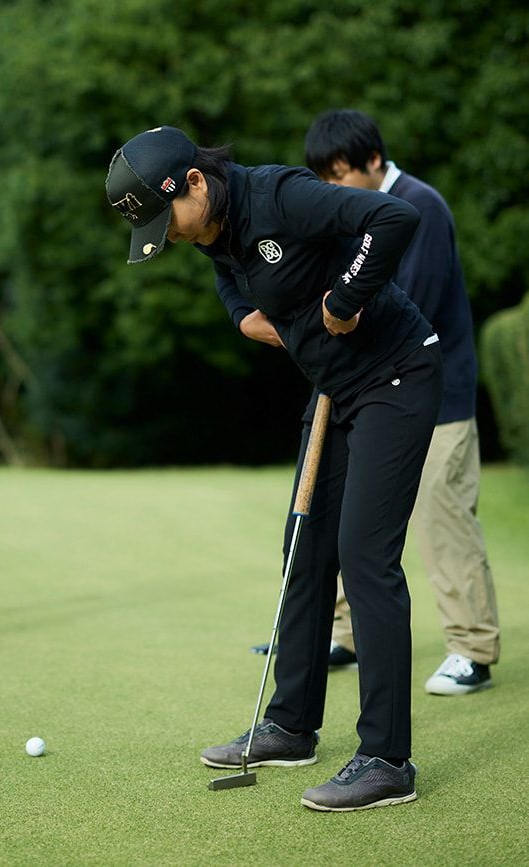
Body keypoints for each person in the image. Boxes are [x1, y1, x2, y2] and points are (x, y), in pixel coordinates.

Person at [106, 126, 443, 811]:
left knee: (364, 555)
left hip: (397, 375)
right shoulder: (216, 232)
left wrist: (345, 299)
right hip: (335, 388)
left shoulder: (281, 196)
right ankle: (291, 726)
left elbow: (392, 217)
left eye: (166, 219)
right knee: (305, 548)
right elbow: (235, 291)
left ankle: (387, 759)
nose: (171, 235)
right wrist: (262, 322)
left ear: (194, 182)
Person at [305, 109, 500, 695]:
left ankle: (472, 649)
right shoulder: (352, 213)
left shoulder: (422, 206)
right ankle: (346, 635)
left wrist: (340, 327)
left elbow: (411, 304)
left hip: (437, 393)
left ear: (373, 160)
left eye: (340, 173)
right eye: (324, 177)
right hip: (368, 390)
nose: (333, 186)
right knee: (352, 512)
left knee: (444, 515)